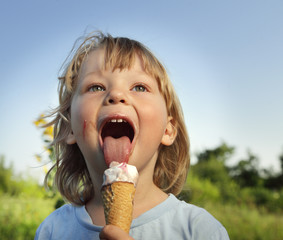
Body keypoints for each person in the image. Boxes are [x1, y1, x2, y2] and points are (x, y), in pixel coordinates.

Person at [35, 31, 229, 240]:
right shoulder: (53, 230)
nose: (116, 95)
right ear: (69, 128)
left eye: (139, 87)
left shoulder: (200, 230)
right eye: (96, 87)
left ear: (168, 129)